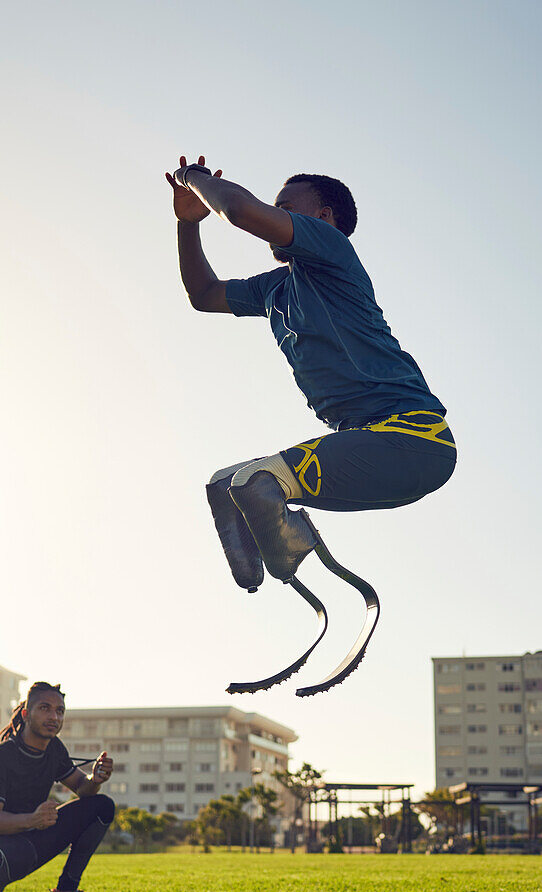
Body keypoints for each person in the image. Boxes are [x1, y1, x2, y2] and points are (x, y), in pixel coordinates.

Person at [165, 156, 456, 643]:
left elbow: (238, 210)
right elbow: (203, 293)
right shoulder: (277, 289)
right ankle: (269, 579)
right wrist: (186, 223)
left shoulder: (331, 248)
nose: (272, 212)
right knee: (225, 486)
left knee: (258, 483)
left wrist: (193, 181)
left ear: (321, 218)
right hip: (365, 442)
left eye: (283, 207)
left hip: (415, 438)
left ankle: (295, 554)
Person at [0, 681, 115, 892]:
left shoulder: (54, 749)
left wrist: (95, 779)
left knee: (102, 806)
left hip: (31, 834)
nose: (54, 716)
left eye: (59, 711)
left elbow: (81, 786)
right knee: (5, 851)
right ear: (26, 714)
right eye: (45, 708)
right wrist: (33, 820)